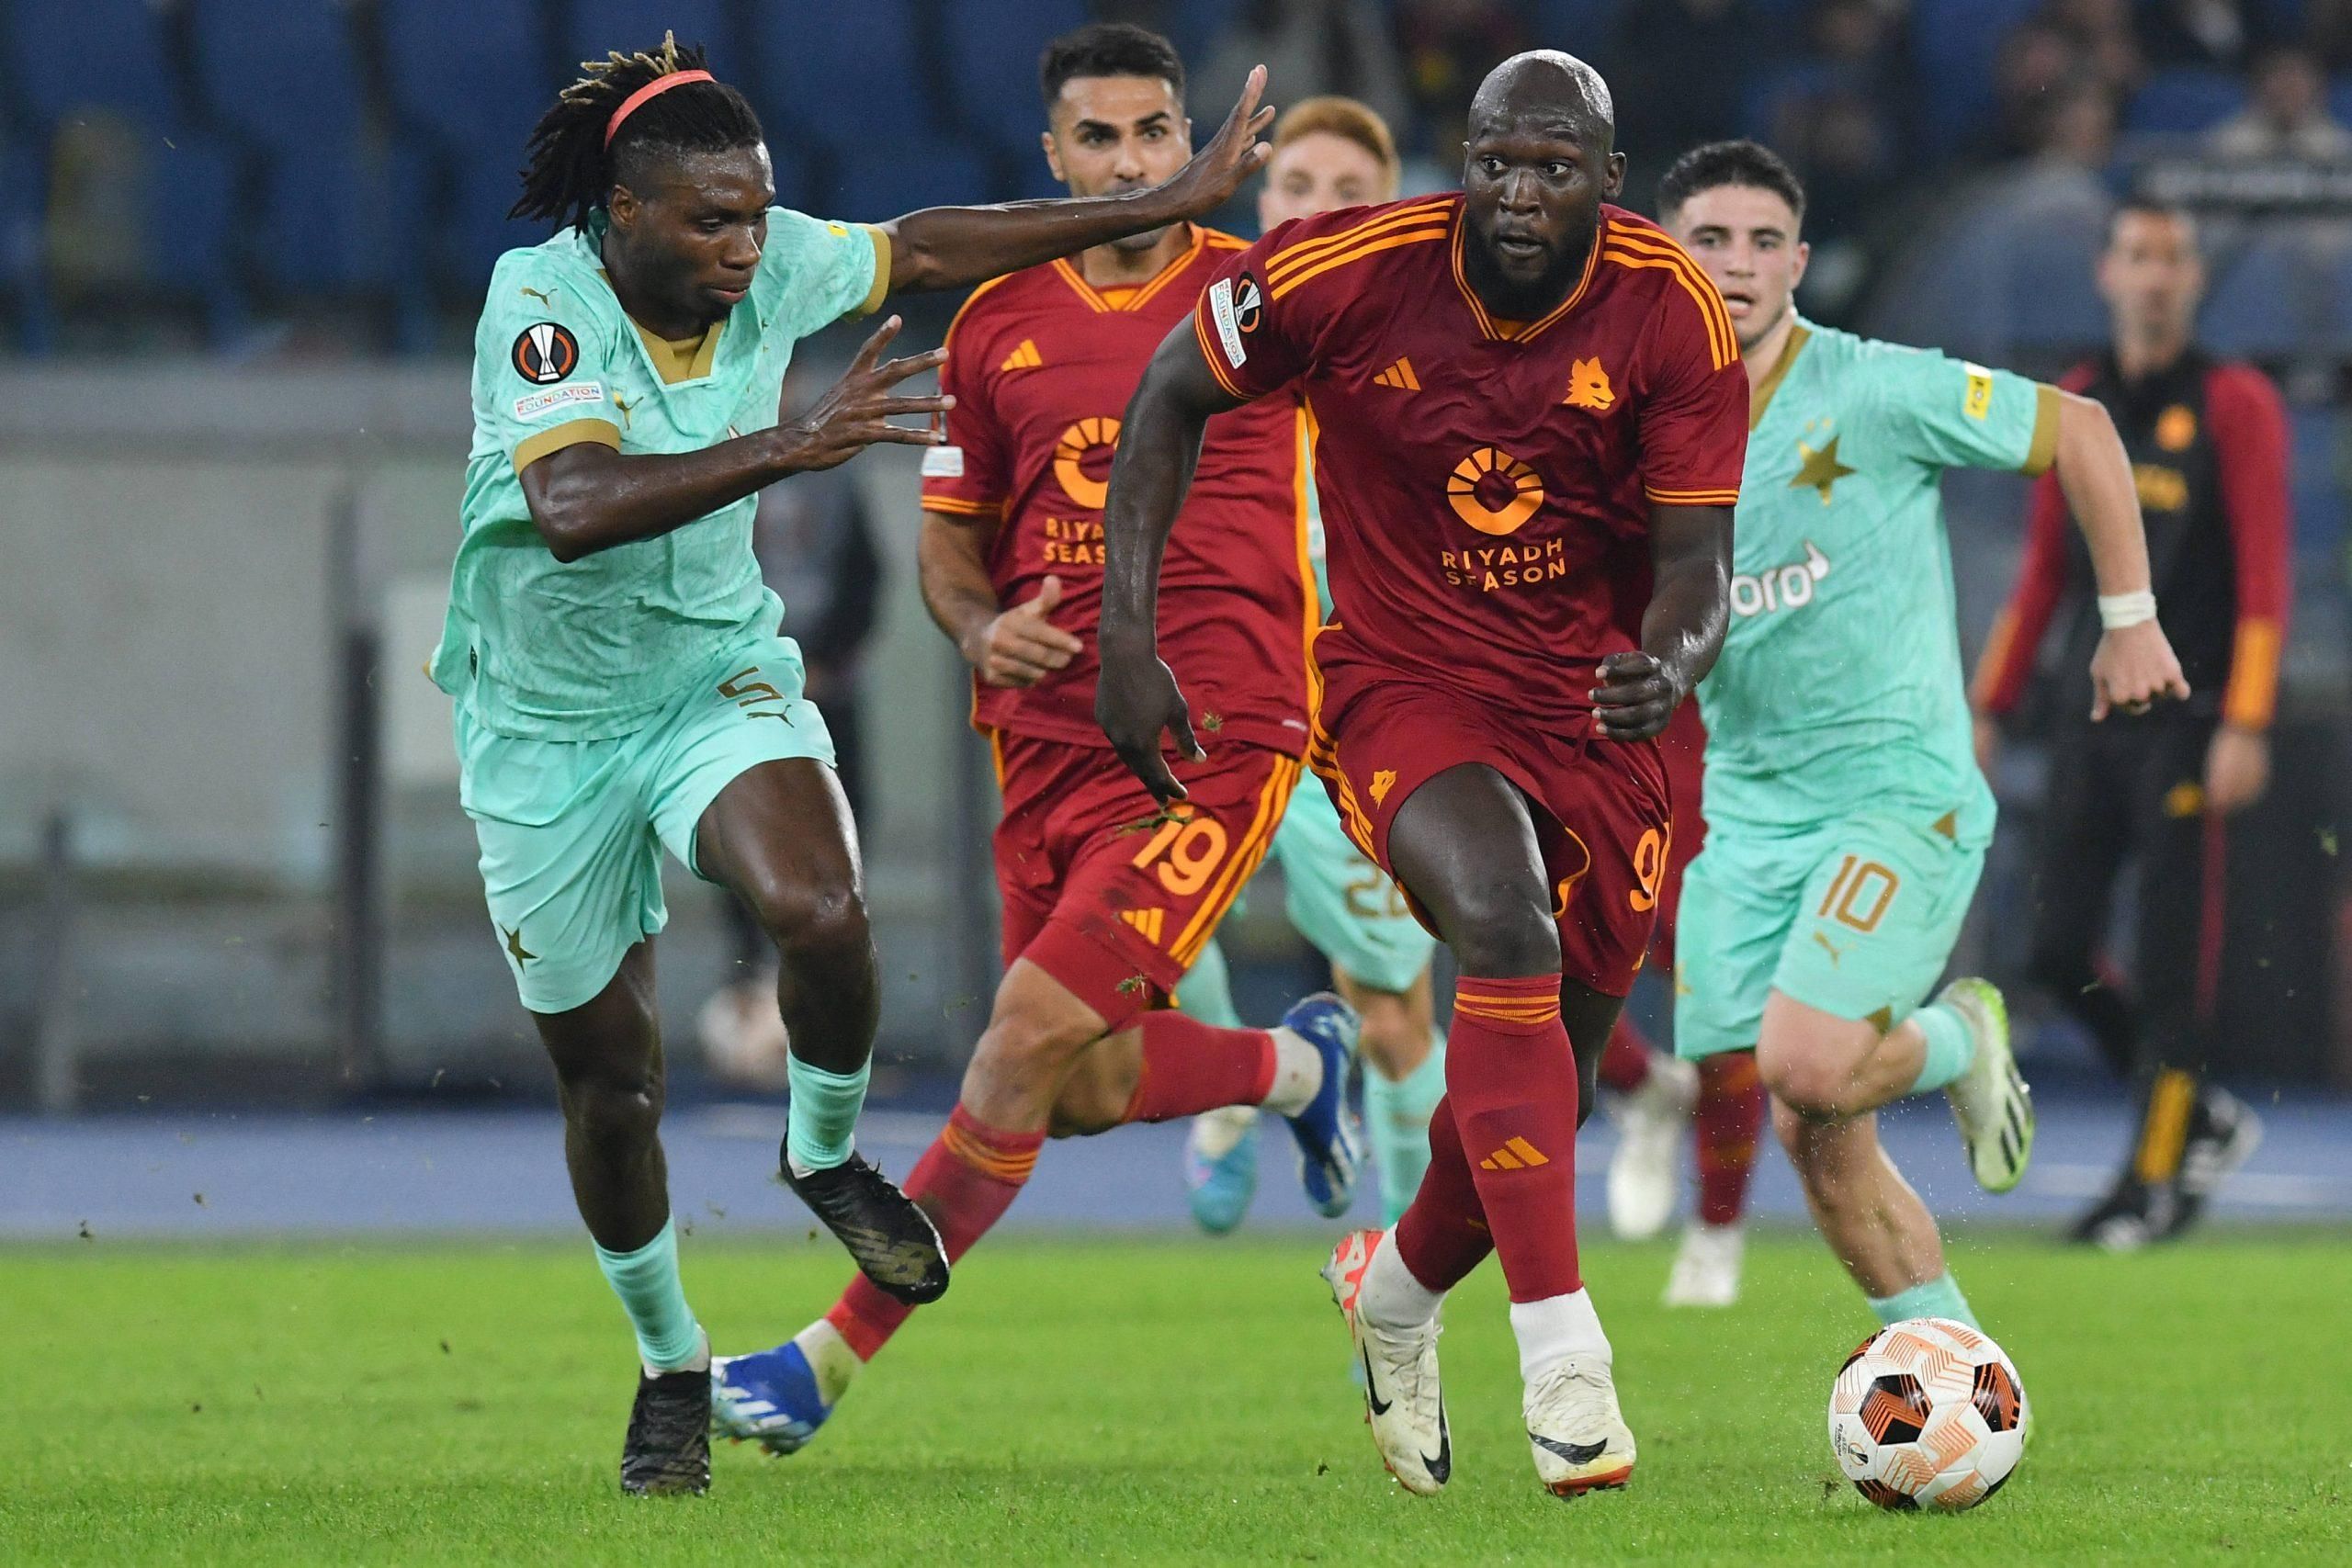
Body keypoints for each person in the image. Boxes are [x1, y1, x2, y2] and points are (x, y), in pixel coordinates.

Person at [436, 32, 1274, 1494]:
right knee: (612, 1083)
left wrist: (1160, 202)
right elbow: (570, 501)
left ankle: (825, 1157)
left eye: (760, 214)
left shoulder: (778, 262)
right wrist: (794, 445)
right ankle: (667, 1356)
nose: (751, 249)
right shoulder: (544, 302)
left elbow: (935, 242)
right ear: (624, 212)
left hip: (710, 677)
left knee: (823, 908)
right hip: (545, 727)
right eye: (713, 221)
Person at [1102, 51, 1749, 1498]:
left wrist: (1677, 656)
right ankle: (1565, 1358)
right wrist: (1125, 633)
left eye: (1554, 169)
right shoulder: (1347, 269)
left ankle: (1393, 1295)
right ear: (1461, 159)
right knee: (1502, 925)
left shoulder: (1670, 305)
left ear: (1609, 179)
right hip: (1405, 679)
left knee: (1543, 1089)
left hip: (1597, 703)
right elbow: (1164, 395)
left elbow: (1702, 560)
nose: (1519, 194)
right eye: (1497, 162)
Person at [707, 25, 1358, 1457]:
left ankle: (825, 1356)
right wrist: (976, 627)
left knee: (1017, 1044)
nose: (1133, 162)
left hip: (1215, 737)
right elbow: (948, 546)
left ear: (1184, 139)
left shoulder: (1261, 300)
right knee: (1086, 1087)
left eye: (1153, 135)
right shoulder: (996, 322)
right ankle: (1299, 1067)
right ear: (1052, 159)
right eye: (1102, 140)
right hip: (1042, 748)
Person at [1653, 141, 2186, 1346]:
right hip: (1750, 811)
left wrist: (2128, 620)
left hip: (1900, 795)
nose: (1734, 264)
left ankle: (1959, 1032)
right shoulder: (1634, 428)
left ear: (1797, 260)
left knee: (1806, 1059)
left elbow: (2085, 429)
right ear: (1663, 255)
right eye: (1707, 238)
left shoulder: (1876, 388)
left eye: (1758, 241)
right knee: (1810, 1127)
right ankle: (1957, 1370)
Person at [1972, 197, 2290, 1249]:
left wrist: (2245, 721)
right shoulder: (2077, 398)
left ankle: (2151, 1183)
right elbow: (2043, 572)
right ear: (2106, 275)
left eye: (2173, 258)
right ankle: (2199, 1119)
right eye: (2137, 256)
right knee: (2052, 948)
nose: (2154, 275)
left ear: (2192, 281)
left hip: (2189, 722)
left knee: (2168, 958)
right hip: (2087, 714)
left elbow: (2263, 584)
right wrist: (1991, 703)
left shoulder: (2234, 401)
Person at [1177, 96, 1451, 1237]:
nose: (1320, 211)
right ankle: (1240, 1094)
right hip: (1221, 699)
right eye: (1298, 188)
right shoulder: (1202, 339)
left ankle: (1396, 1283)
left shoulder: (1440, 357)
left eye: (1350, 193)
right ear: (1261, 203)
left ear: (1385, 210)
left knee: (1390, 1010)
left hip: (1360, 724)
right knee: (1145, 937)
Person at [697, 370, 885, 1091]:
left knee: (841, 849)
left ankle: (834, 1029)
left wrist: (822, 660)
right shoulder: (707, 460)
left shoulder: (831, 469)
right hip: (739, 694)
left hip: (825, 693)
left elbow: (868, 575)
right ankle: (752, 989)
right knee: (739, 848)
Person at [1589, 704, 1773, 1314]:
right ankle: (1645, 1087)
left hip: (1714, 754)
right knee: (1529, 972)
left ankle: (1716, 1233)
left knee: (1721, 1018)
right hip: (1569, 723)